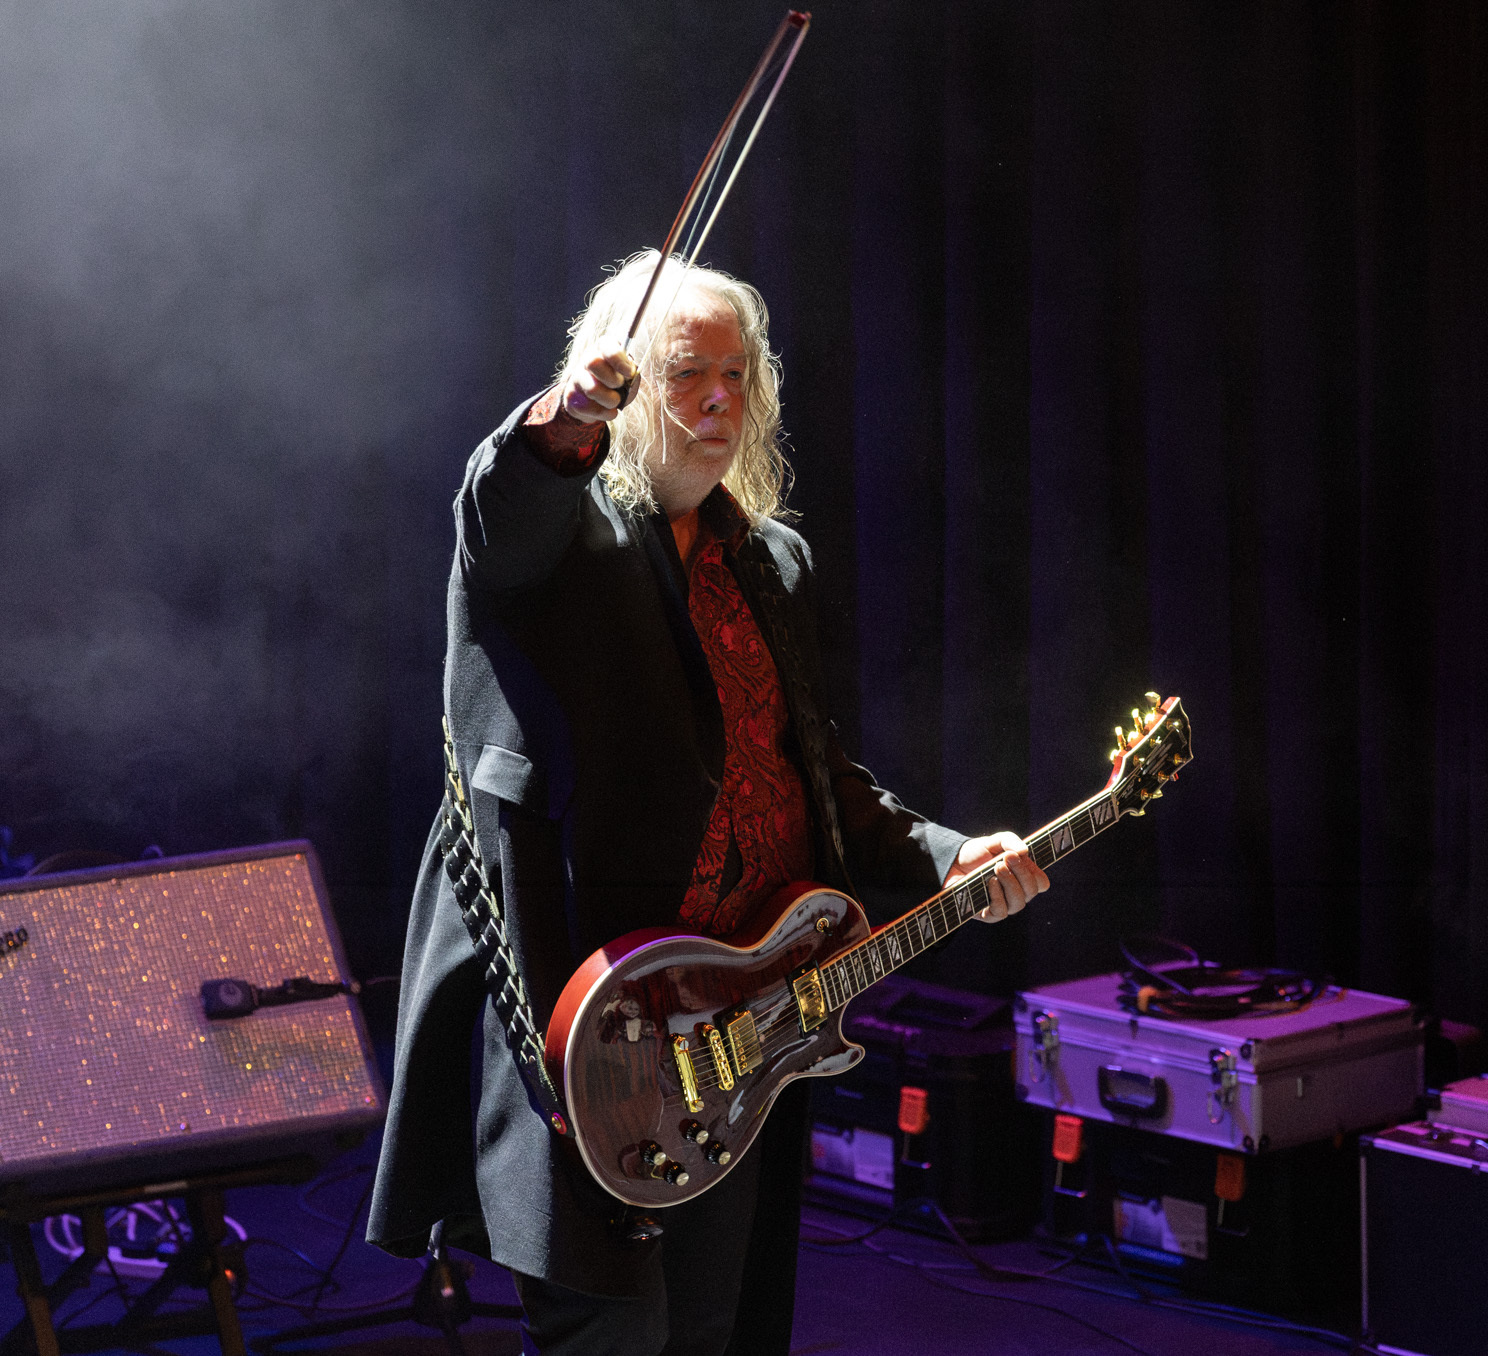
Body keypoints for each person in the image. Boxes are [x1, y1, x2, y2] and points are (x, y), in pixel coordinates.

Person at [366, 251, 1049, 1356]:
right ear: (625, 384)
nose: (720, 398)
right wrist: (564, 419)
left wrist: (945, 854)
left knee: (712, 1329)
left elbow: (806, 767)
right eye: (687, 373)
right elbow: (502, 511)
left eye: (737, 374)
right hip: (588, 1017)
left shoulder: (771, 560)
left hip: (730, 1022)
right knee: (611, 1330)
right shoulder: (559, 536)